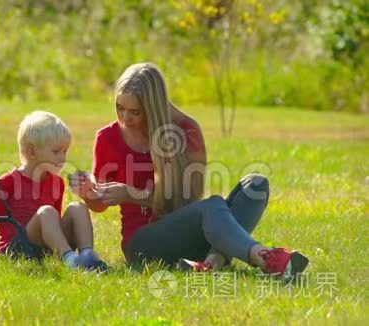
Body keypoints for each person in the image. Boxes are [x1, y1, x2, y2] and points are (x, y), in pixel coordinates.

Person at [69, 63, 308, 282]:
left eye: (136, 112)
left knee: (256, 184)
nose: (125, 118)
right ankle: (265, 258)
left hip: (187, 231)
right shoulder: (108, 137)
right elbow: (99, 203)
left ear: (154, 107)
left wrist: (132, 194)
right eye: (120, 108)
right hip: (142, 244)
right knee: (213, 205)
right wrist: (89, 193)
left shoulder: (186, 131)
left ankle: (210, 264)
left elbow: (185, 201)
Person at [0, 111, 107, 271]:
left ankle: (88, 258)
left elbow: (54, 223)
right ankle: (70, 261)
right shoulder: (7, 183)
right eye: (56, 151)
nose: (63, 158)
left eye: (65, 151)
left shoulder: (56, 183)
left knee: (78, 207)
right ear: (31, 151)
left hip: (44, 248)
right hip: (15, 251)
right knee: (47, 212)